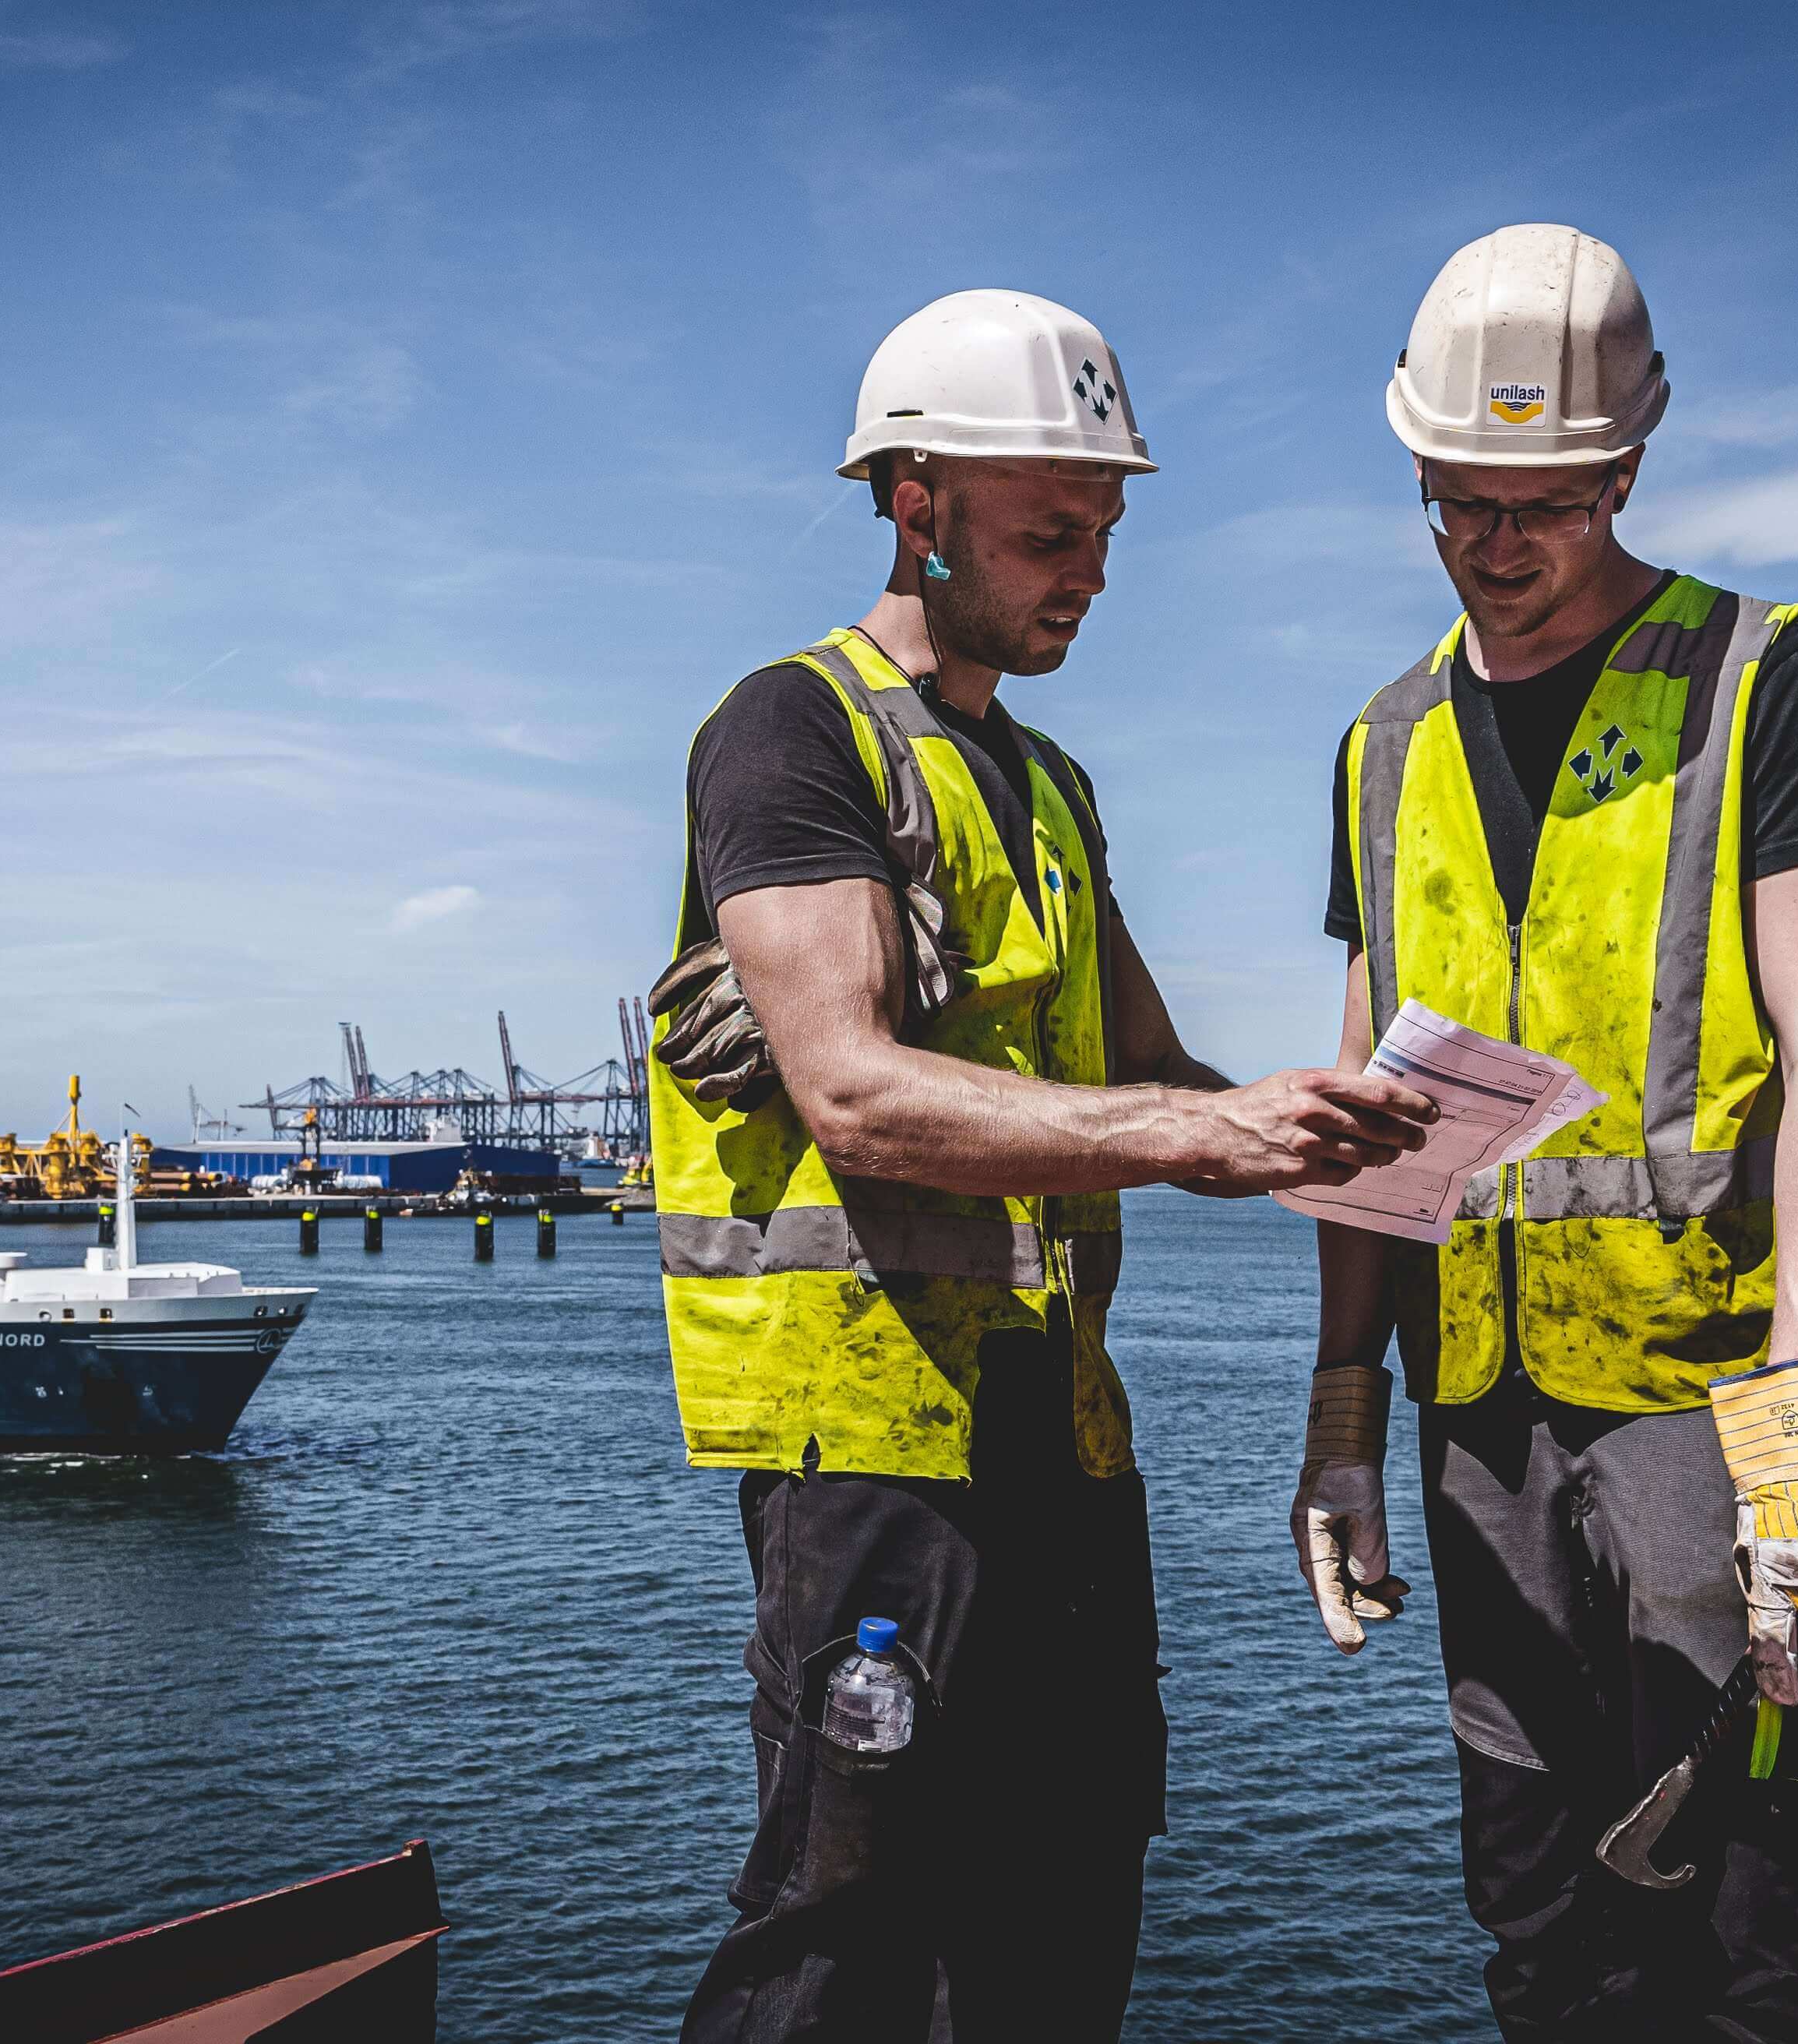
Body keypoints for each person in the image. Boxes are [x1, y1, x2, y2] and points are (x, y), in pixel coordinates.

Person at [651, 290, 1437, 2043]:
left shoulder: (1054, 788)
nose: (1089, 571)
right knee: (844, 1936)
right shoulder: (794, 736)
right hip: (874, 1457)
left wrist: (1335, 1119)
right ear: (915, 503)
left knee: (1067, 1903)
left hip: (1062, 1446)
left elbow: (1159, 1076)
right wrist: (1195, 1128)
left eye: (1104, 533)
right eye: (1049, 531)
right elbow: (851, 1091)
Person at [1294, 224, 1798, 2041]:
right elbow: (1366, 1114)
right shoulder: (1382, 742)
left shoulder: (1761, 675)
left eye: (1540, 503)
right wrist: (1343, 1417)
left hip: (1712, 1417)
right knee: (1541, 1915)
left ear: (1626, 468)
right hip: (1477, 1415)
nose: (1494, 545)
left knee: (1751, 1920)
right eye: (1459, 499)